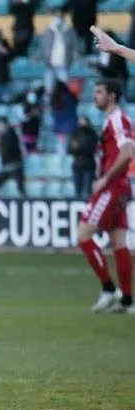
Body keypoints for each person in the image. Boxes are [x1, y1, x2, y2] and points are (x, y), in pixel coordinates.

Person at [76, 79, 134, 314]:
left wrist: (105, 179)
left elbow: (128, 152)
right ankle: (128, 302)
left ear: (112, 96)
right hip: (119, 188)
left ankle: (109, 289)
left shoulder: (118, 119)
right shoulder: (111, 121)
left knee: (83, 234)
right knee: (119, 243)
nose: (94, 96)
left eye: (99, 92)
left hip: (112, 188)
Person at [0, 117, 26, 196]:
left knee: (21, 188)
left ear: (4, 125)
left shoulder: (11, 134)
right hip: (6, 166)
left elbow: (7, 147)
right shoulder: (4, 135)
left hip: (15, 165)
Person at [68, 116, 99, 198]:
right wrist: (79, 147)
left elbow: (91, 147)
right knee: (77, 191)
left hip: (89, 165)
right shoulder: (74, 133)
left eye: (83, 121)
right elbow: (70, 149)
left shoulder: (92, 133)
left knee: (88, 191)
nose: (82, 123)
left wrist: (79, 146)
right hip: (77, 165)